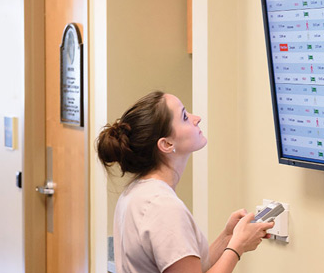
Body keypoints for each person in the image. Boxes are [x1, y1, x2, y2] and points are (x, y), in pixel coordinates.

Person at [97, 91, 274, 273]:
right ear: (166, 144)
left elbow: (190, 269)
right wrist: (238, 247)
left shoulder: (136, 193)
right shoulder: (163, 207)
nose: (196, 118)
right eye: (184, 116)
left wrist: (227, 238)